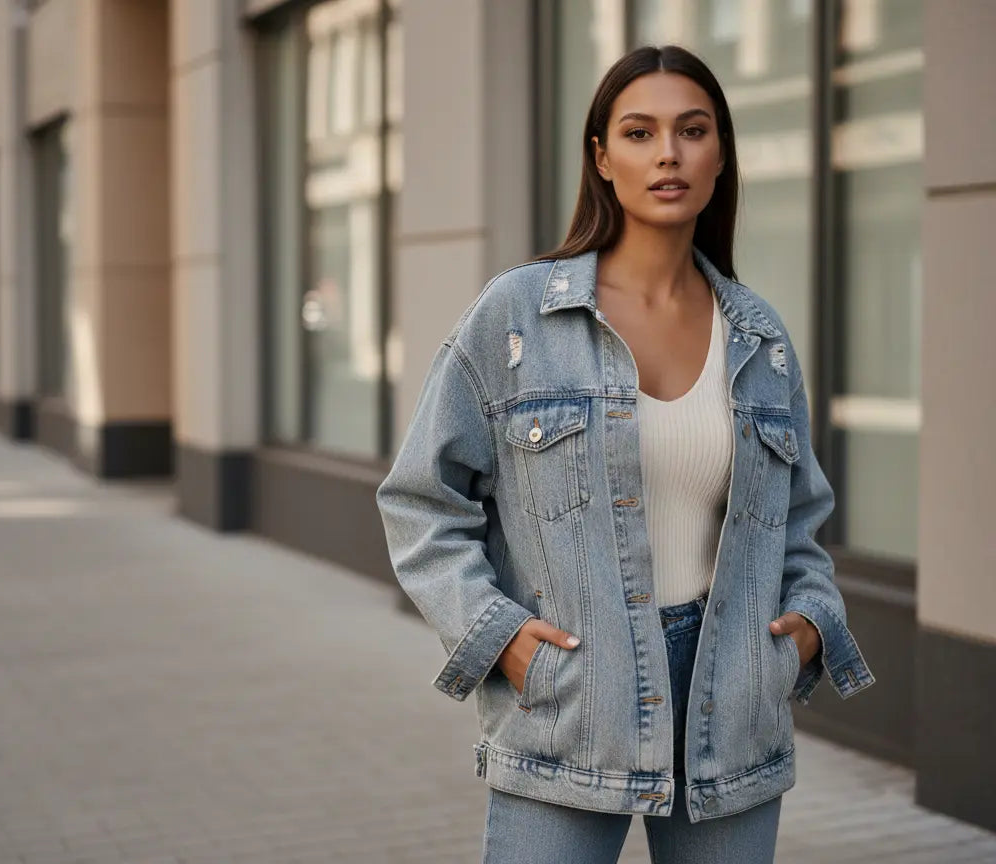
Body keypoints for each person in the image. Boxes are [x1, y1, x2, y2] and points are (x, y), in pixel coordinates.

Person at [375, 44, 875, 864]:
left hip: (734, 707)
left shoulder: (759, 338)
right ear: (602, 159)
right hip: (571, 705)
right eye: (639, 133)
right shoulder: (517, 318)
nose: (669, 153)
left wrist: (811, 626)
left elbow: (800, 521)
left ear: (720, 157)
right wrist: (499, 635)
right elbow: (421, 500)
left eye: (693, 130)